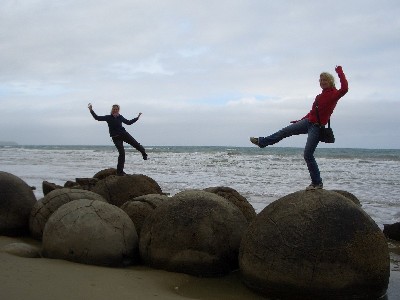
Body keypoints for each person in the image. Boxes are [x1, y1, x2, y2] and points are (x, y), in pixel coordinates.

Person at [250, 65, 348, 190]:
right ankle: (262, 142)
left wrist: (339, 71)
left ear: (330, 81)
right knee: (284, 131)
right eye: (321, 80)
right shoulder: (318, 97)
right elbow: (313, 113)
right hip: (308, 122)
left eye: (325, 80)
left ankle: (317, 183)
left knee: (308, 154)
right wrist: (300, 121)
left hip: (317, 127)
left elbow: (345, 88)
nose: (322, 82)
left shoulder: (334, 94)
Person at [88, 103, 148, 176]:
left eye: (116, 109)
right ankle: (119, 172)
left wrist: (137, 118)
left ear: (118, 110)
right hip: (116, 138)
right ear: (112, 110)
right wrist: (91, 110)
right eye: (114, 109)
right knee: (122, 153)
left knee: (136, 144)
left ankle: (144, 153)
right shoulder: (108, 117)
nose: (115, 110)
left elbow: (128, 122)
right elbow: (97, 118)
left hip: (124, 134)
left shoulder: (120, 117)